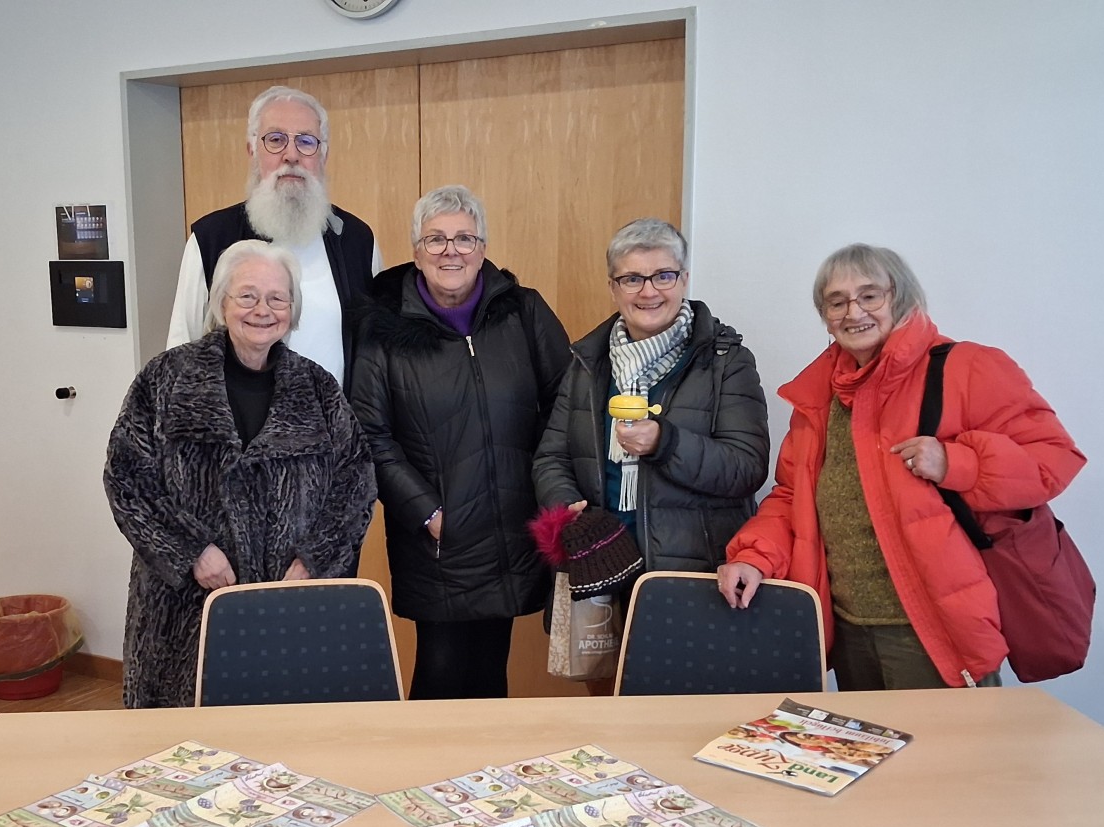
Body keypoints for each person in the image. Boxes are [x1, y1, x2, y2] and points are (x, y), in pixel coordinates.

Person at [718, 243, 1085, 690]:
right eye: (837, 301)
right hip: (849, 628)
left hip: (934, 626)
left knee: (952, 759)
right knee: (870, 759)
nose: (854, 312)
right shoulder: (819, 396)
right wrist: (755, 557)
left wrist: (957, 462)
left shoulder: (968, 367)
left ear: (901, 297)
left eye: (870, 295)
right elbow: (793, 496)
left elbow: (1053, 458)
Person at [106, 240, 376, 708]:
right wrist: (192, 550)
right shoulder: (167, 378)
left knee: (279, 743)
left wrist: (312, 560)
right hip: (182, 608)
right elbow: (128, 478)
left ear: (292, 311)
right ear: (222, 304)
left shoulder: (318, 389)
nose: (262, 310)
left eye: (277, 298)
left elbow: (355, 484)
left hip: (286, 605)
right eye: (247, 295)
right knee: (180, 750)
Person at [349, 185, 571, 700]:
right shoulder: (384, 327)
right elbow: (370, 435)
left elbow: (566, 402)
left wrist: (545, 488)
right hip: (436, 538)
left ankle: (483, 781)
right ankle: (424, 777)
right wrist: (427, 512)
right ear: (416, 250)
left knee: (492, 670)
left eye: (465, 238)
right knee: (440, 672)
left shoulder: (524, 312)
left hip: (510, 527)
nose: (452, 251)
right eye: (436, 239)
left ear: (484, 247)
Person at [533, 217, 770, 693]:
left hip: (691, 572)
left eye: (663, 275)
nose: (649, 291)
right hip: (601, 565)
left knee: (682, 714)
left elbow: (747, 468)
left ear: (684, 280)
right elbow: (550, 457)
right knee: (608, 713)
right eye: (632, 278)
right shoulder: (587, 362)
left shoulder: (725, 360)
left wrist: (665, 443)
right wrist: (568, 505)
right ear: (614, 287)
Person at [165, 85, 382, 385]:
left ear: (323, 154)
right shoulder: (211, 239)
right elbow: (179, 348)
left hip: (335, 427)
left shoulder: (357, 240)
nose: (291, 155)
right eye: (276, 140)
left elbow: (375, 352)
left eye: (306, 142)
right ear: (252, 150)